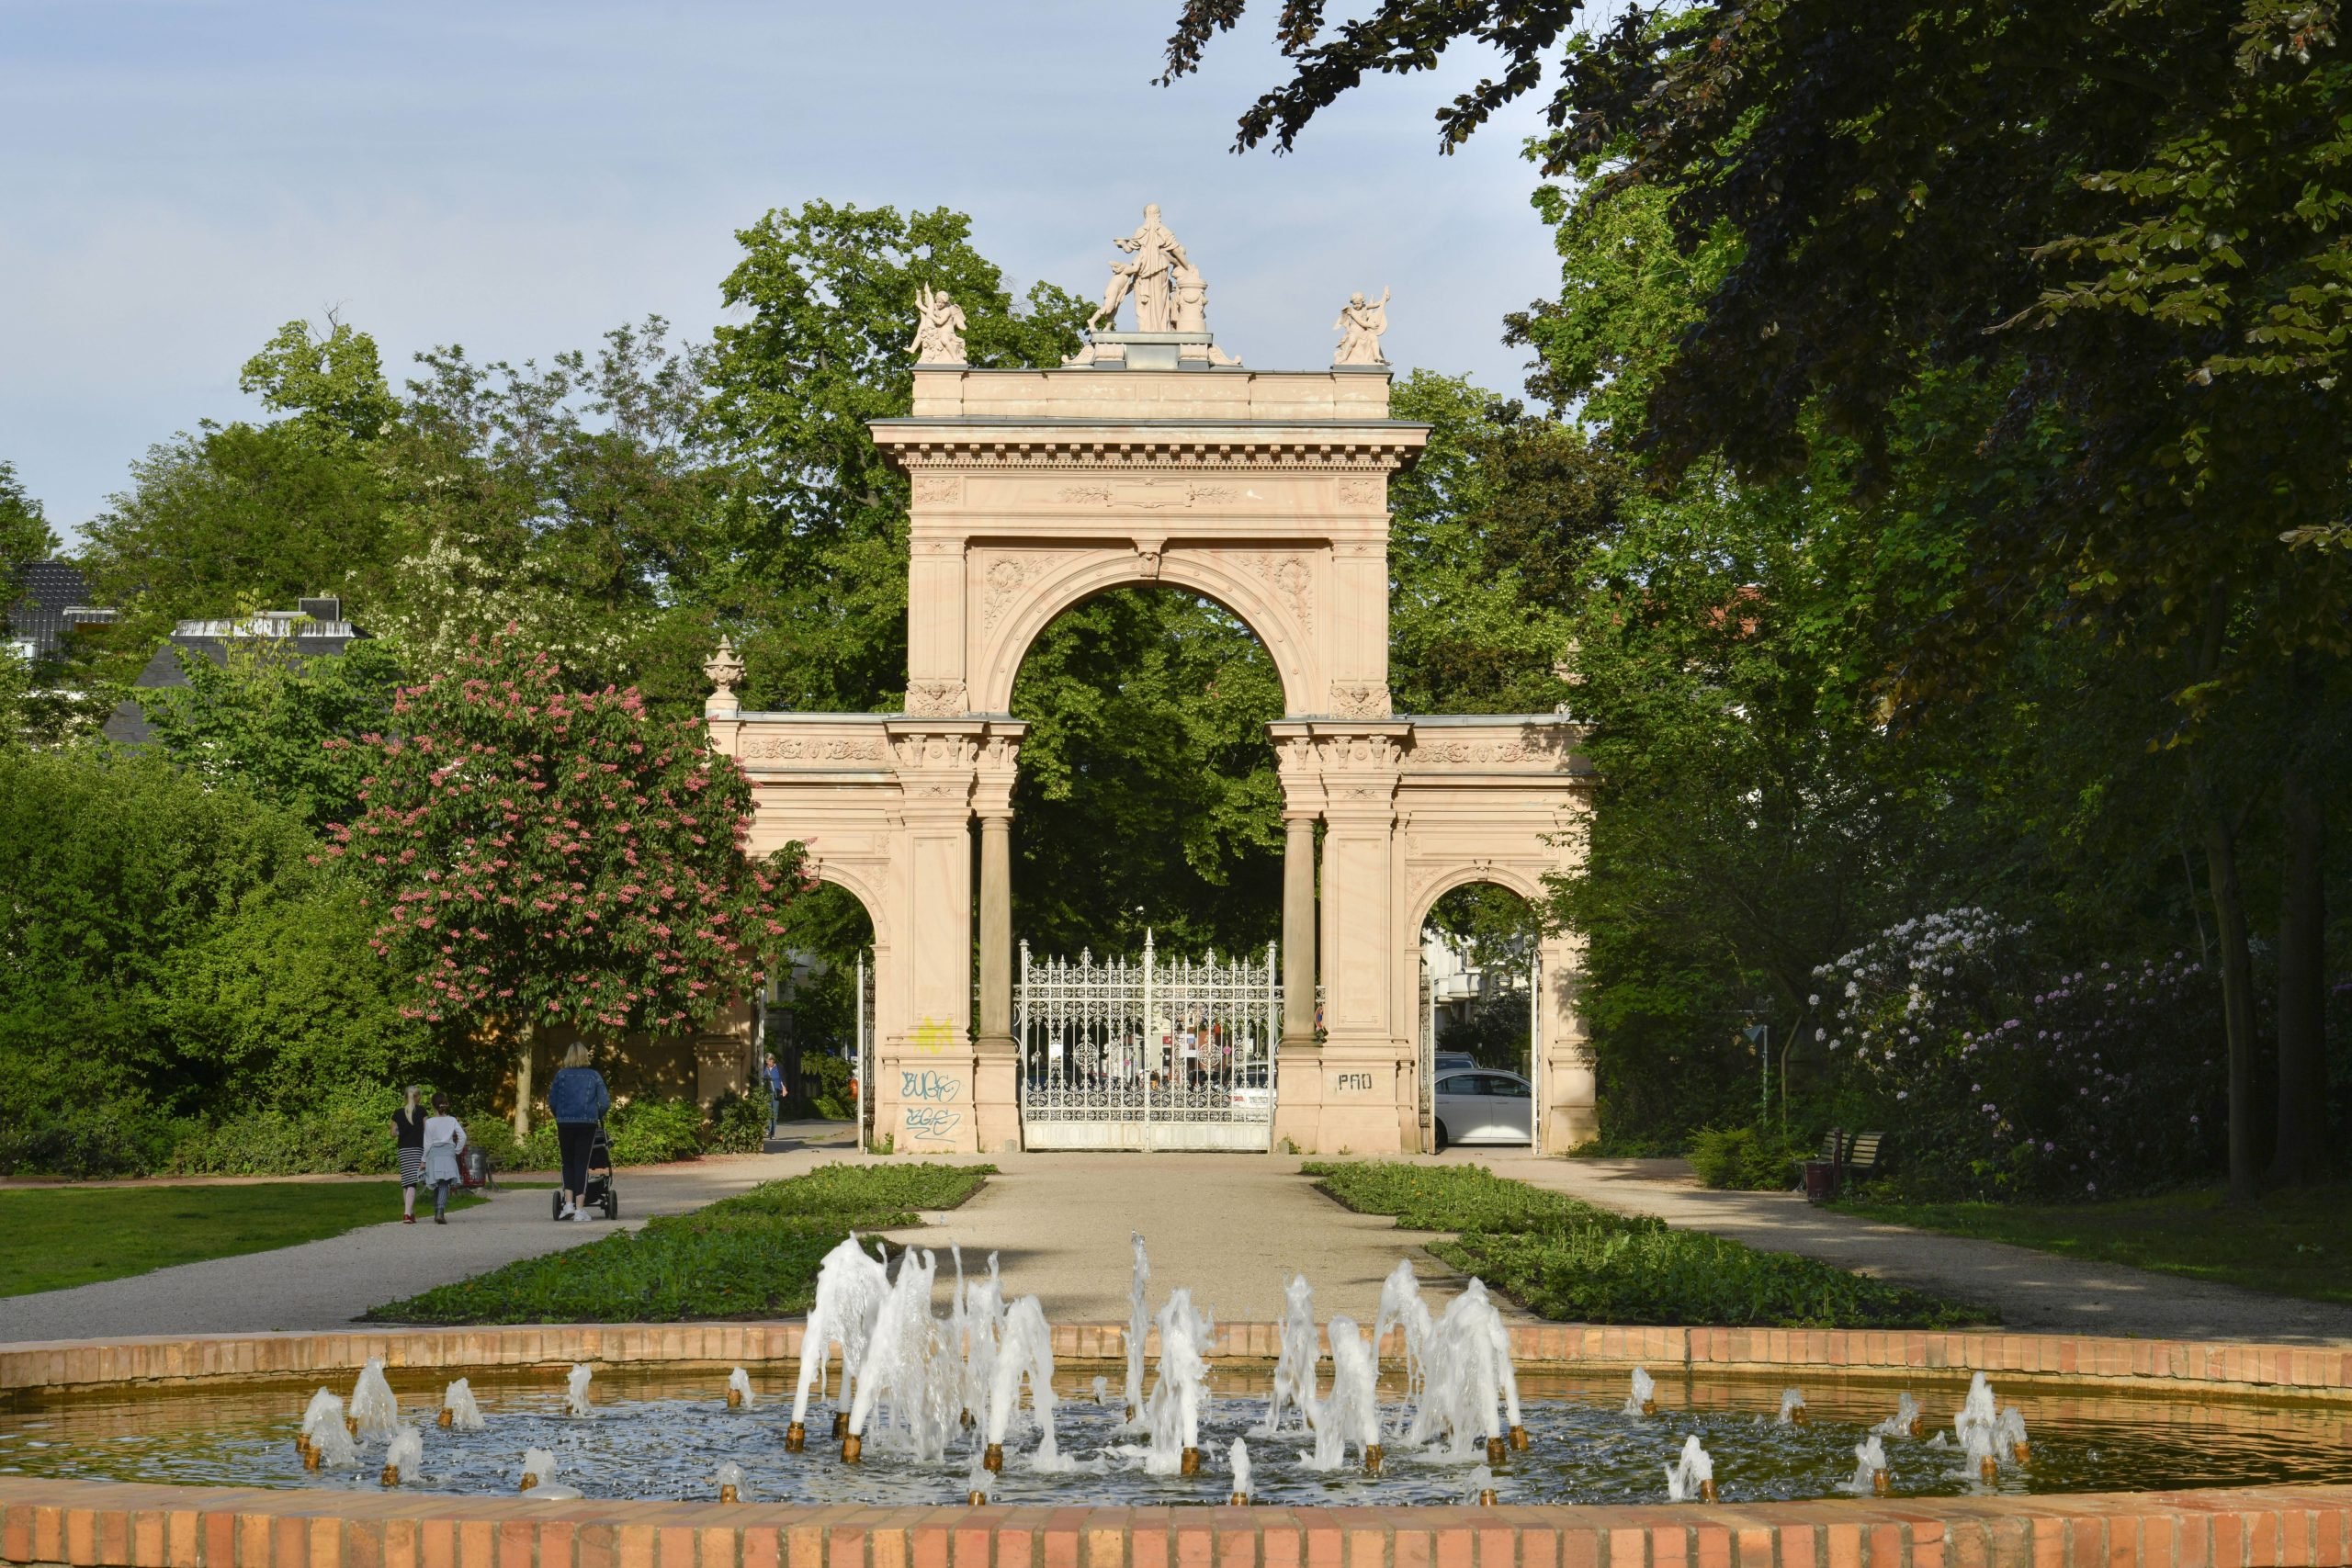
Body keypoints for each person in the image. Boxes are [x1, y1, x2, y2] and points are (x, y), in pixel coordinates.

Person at [548, 1042, 611, 1222]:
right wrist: (596, 1115)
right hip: (586, 1123)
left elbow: (552, 1101)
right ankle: (580, 1209)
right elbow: (605, 1102)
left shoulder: (561, 1075)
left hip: (564, 1123)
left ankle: (568, 1204)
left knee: (567, 1162)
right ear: (585, 1056)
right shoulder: (594, 1076)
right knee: (582, 1163)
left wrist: (559, 1115)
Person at [421, 1093, 469, 1225]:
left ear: (433, 1105)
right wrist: (457, 1150)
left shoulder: (430, 1122)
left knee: (438, 1182)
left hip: (434, 1154)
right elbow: (463, 1137)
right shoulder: (452, 1120)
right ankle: (439, 1211)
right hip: (448, 1153)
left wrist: (423, 1160)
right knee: (444, 1183)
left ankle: (438, 1211)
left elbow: (427, 1143)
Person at [391, 1086, 427, 1224]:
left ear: (405, 1097)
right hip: (418, 1148)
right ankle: (407, 1214)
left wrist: (403, 1131)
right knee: (412, 1181)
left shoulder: (398, 1113)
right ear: (417, 1097)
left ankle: (410, 1213)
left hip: (403, 1149)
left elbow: (393, 1133)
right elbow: (427, 1129)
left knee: (406, 1181)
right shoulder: (422, 1111)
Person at [763, 1052, 784, 1138]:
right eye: (766, 1061)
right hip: (767, 1093)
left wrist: (785, 1089)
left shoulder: (779, 1067)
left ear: (772, 1060)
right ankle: (767, 1130)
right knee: (768, 1112)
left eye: (768, 1061)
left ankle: (773, 1133)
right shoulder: (765, 1068)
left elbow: (782, 1079)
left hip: (776, 1093)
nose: (767, 1063)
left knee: (774, 1113)